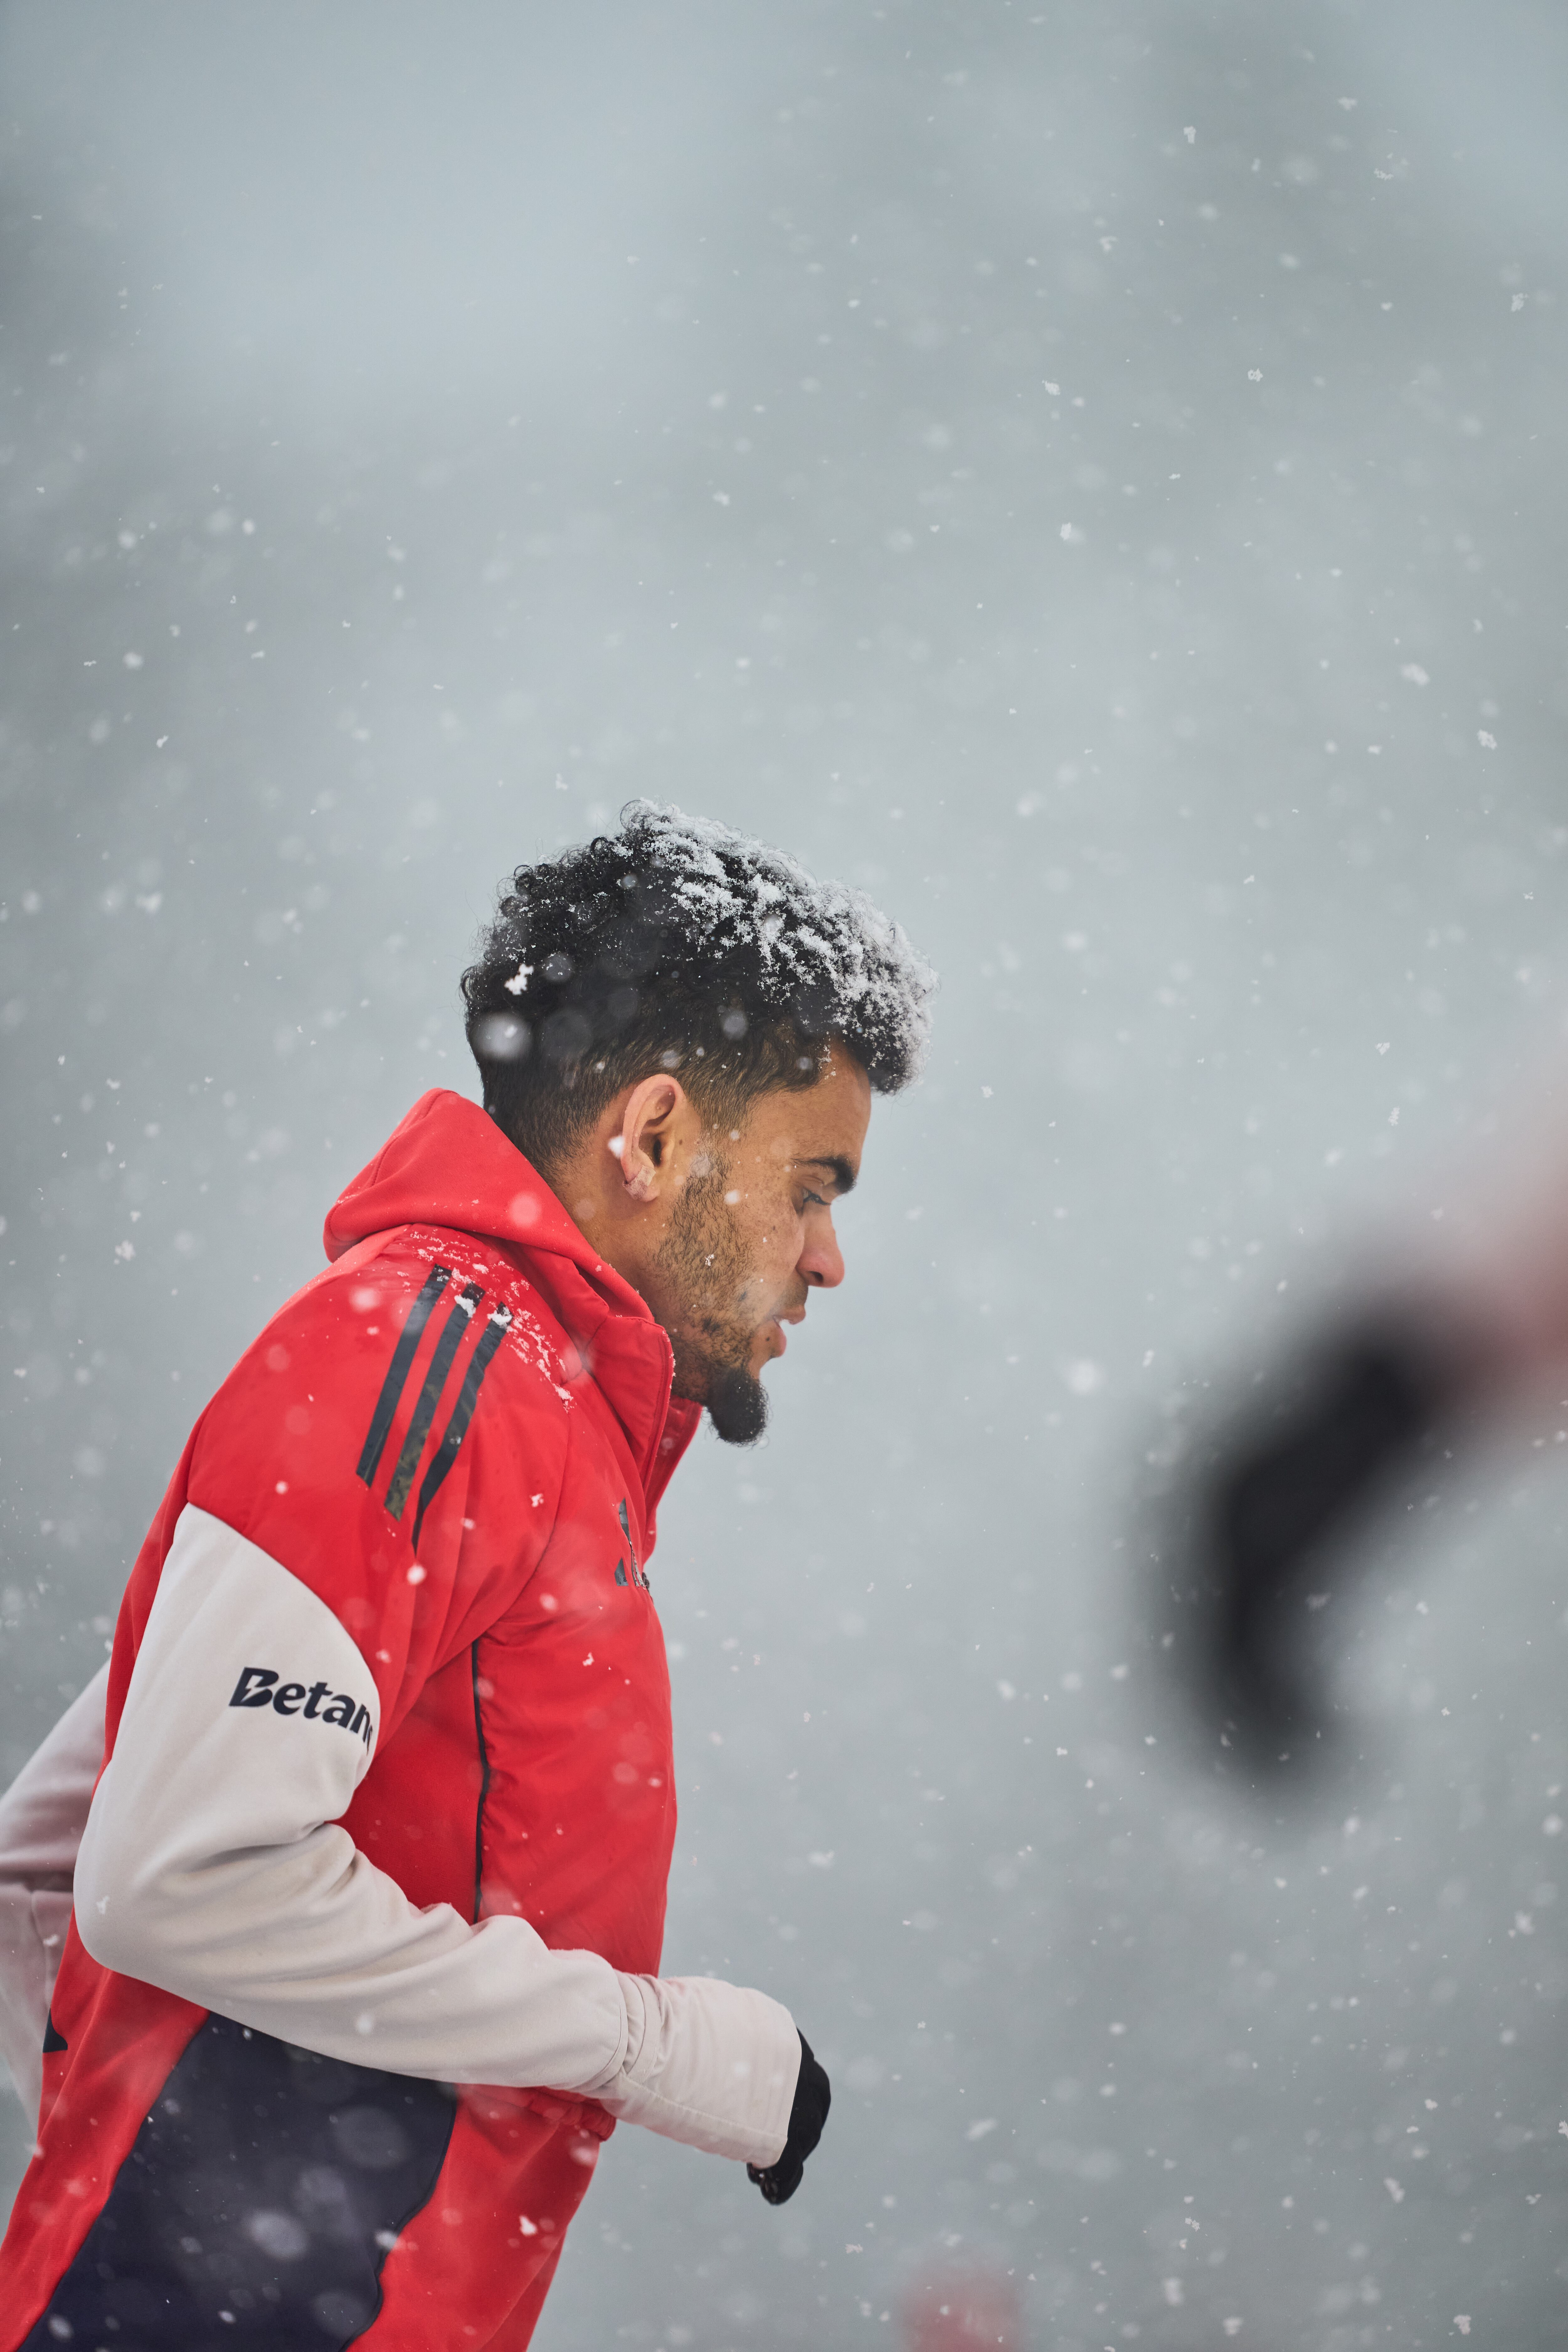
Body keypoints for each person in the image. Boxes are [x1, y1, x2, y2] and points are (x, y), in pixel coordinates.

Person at [0, 801, 935, 2350]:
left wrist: (146, 2147)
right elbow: (167, 1879)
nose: (827, 1257)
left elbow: (53, 1862)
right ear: (649, 1137)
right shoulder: (427, 1366)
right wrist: (659, 2050)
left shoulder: (509, 1398)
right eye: (813, 1184)